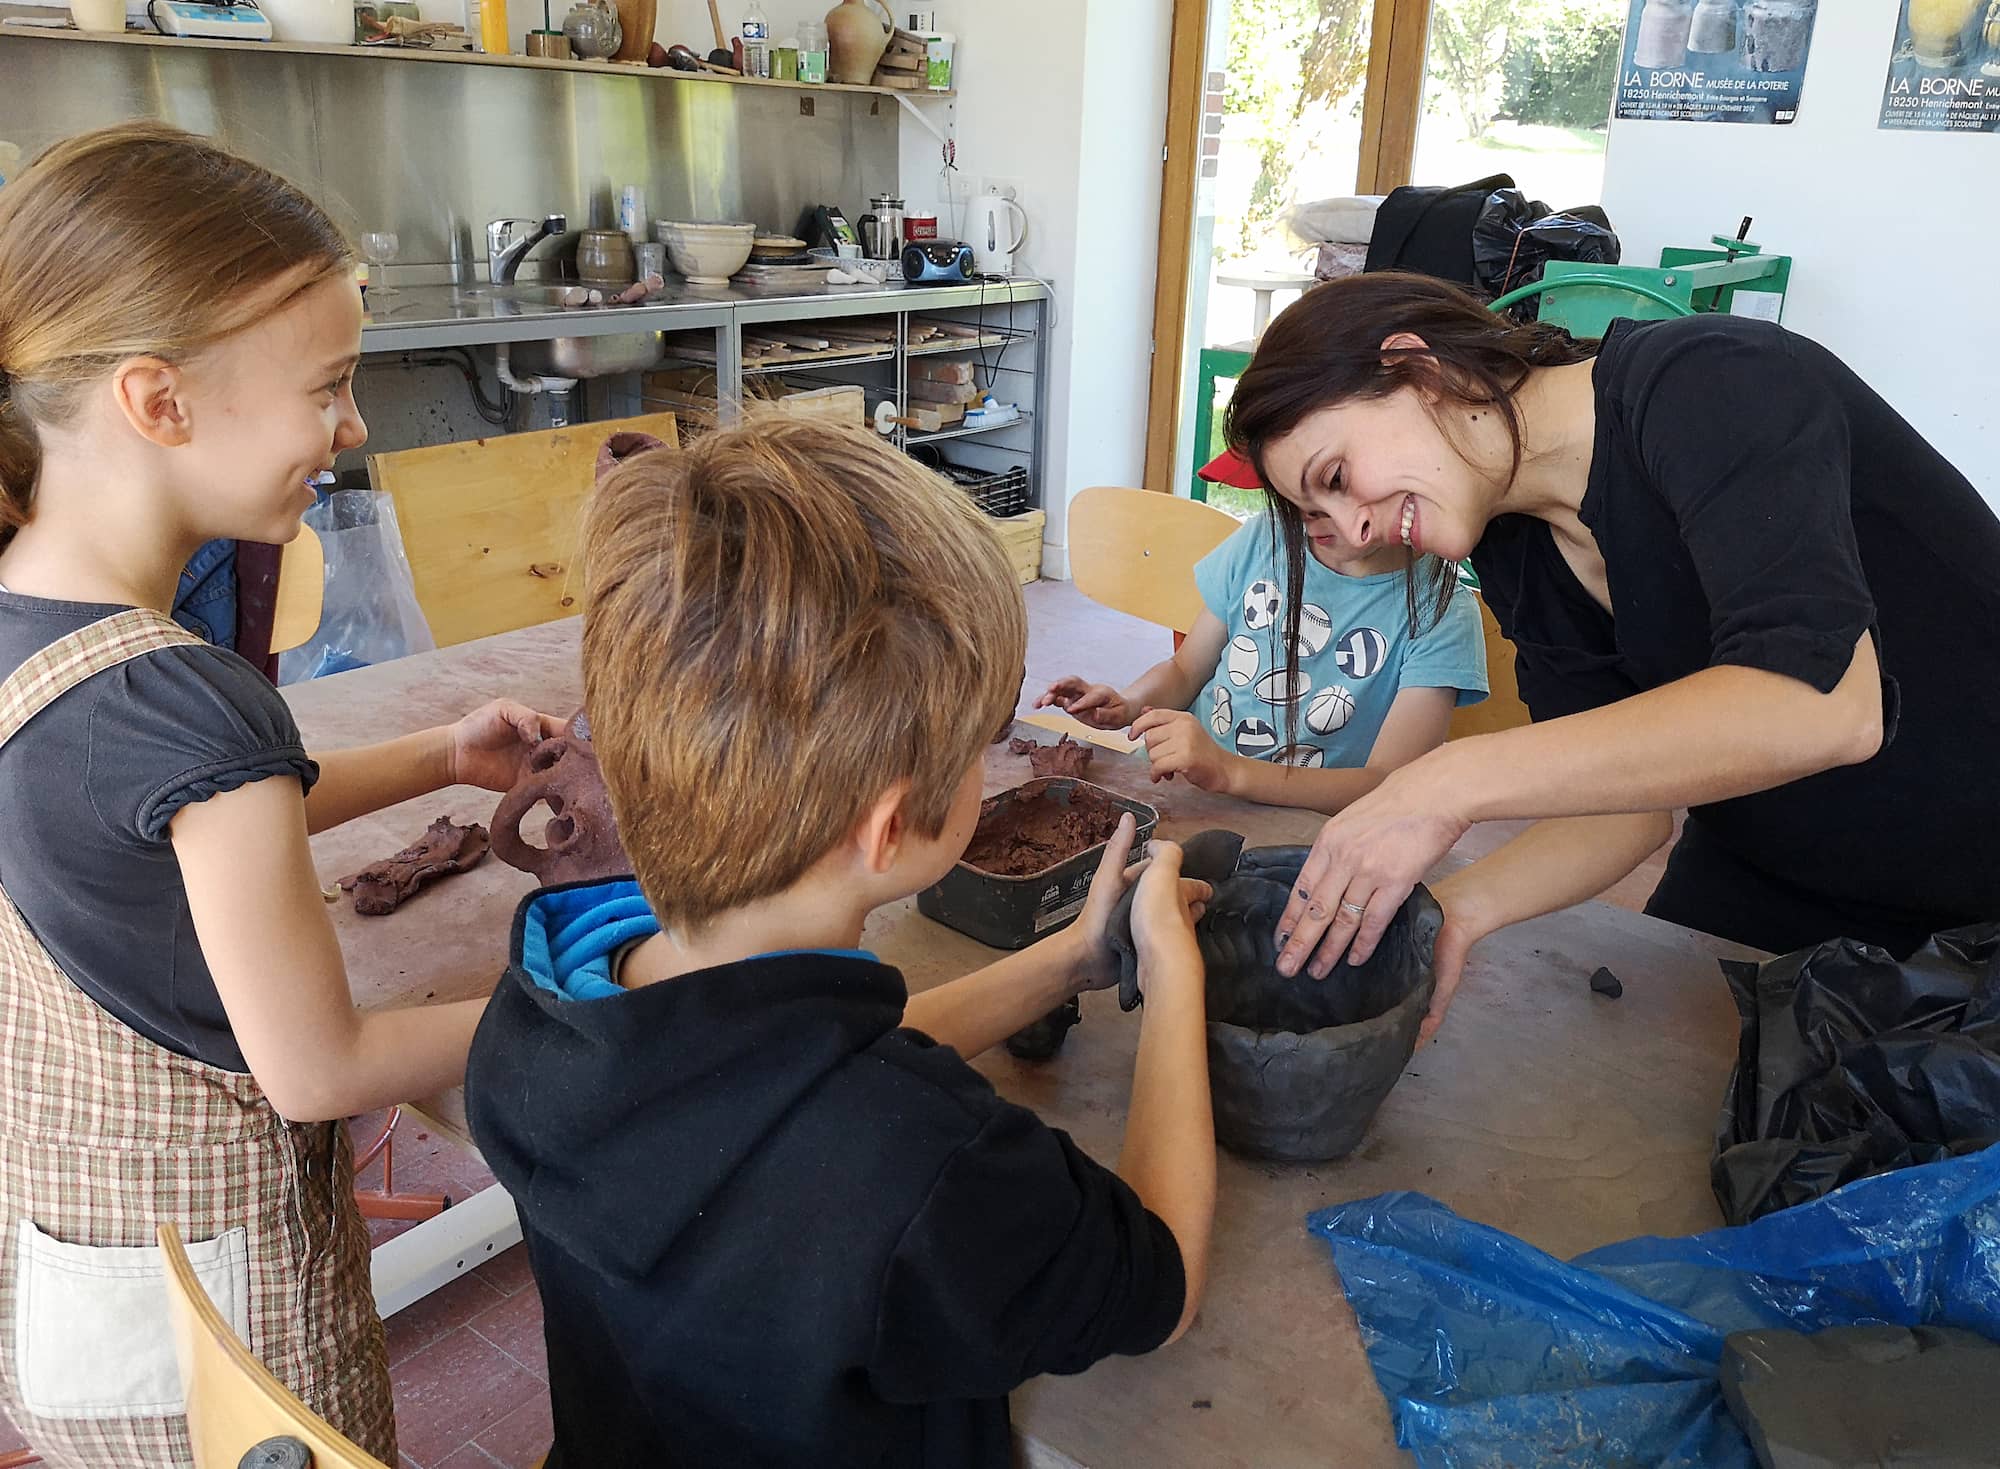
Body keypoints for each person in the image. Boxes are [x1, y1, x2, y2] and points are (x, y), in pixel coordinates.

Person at [464, 419, 1217, 1469]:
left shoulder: (536, 1010)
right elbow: (1161, 1278)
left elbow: (779, 1076)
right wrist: (1173, 980)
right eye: (982, 746)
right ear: (889, 822)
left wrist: (1068, 958)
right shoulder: (922, 1162)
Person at [0, 124, 562, 1465]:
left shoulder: (35, 623)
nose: (354, 429)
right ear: (159, 399)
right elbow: (320, 1070)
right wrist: (589, 1011)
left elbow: (172, 823)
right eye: (330, 386)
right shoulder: (191, 697)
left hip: (90, 1276)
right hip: (237, 1322)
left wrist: (439, 753)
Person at [1222, 271, 2000, 1037]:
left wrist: (1446, 782)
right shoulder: (1517, 543)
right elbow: (1619, 816)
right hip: (1775, 864)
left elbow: (1825, 705)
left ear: (1420, 369)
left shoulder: (1712, 379)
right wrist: (1445, 917)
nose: (1352, 531)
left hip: (1976, 884)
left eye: (1337, 477)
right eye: (1320, 513)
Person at [1037, 473, 1487, 814]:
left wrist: (1230, 772)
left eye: (1331, 488)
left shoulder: (1440, 611)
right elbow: (1185, 670)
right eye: (1291, 497)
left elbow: (1385, 785)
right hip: (1180, 790)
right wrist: (1129, 704)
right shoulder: (1266, 537)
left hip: (1303, 828)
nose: (1305, 519)